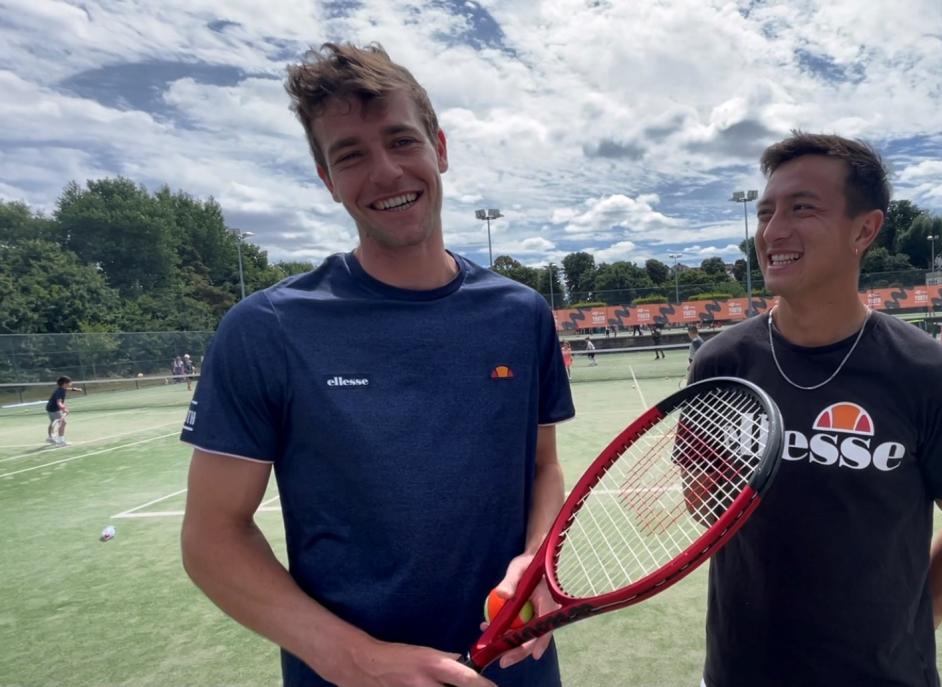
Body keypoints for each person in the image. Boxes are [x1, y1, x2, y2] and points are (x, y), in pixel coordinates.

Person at [179, 42, 573, 687]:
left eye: (401, 141)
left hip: (514, 661)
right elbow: (212, 537)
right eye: (351, 155)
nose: (386, 172)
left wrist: (536, 562)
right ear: (327, 180)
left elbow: (542, 466)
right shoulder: (266, 328)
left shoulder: (520, 313)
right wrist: (354, 658)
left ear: (439, 149)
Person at [689, 132, 942, 687]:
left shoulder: (933, 375)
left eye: (801, 208)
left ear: (865, 229)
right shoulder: (719, 362)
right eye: (765, 213)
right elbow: (703, 503)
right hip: (738, 670)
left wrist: (909, 626)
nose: (773, 231)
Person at [45, 376, 82, 446]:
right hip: (54, 409)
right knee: (63, 423)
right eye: (69, 382)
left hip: (49, 408)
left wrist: (75, 389)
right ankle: (61, 441)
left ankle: (50, 438)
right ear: (65, 383)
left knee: (53, 422)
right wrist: (64, 409)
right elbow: (58, 403)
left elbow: (68, 389)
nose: (71, 383)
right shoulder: (59, 392)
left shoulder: (62, 389)